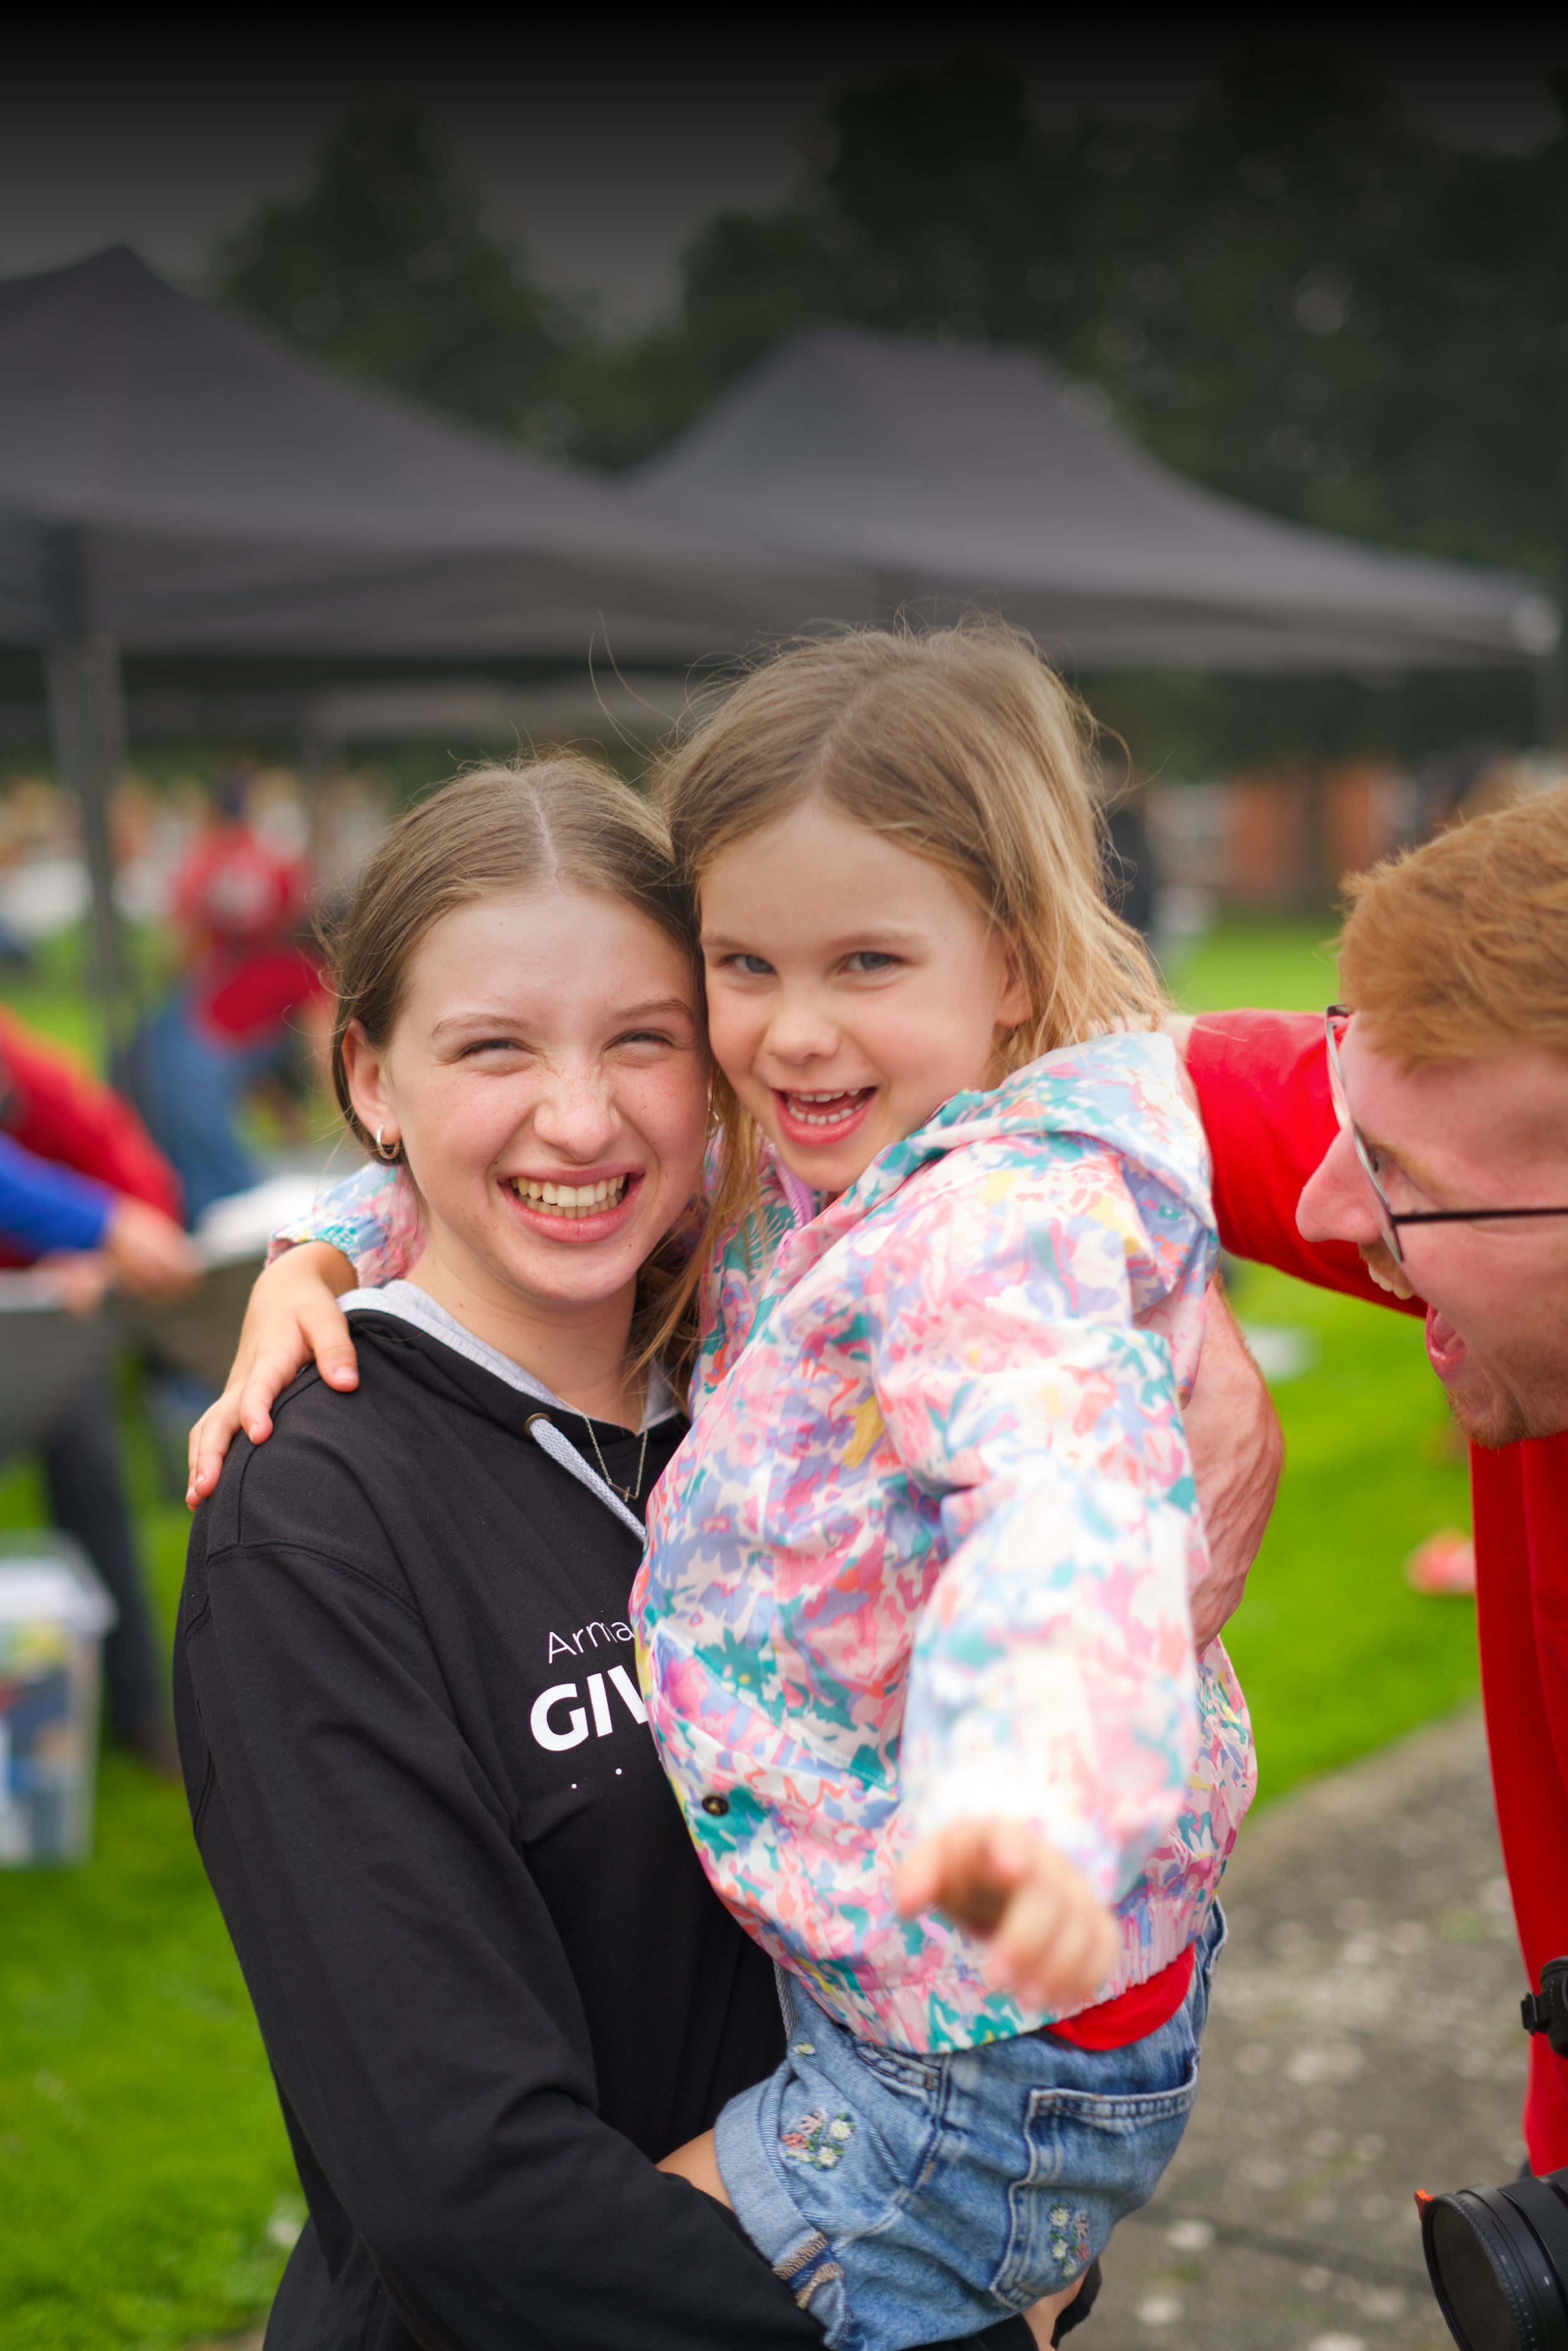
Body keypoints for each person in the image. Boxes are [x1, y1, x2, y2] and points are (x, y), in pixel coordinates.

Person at [188, 630, 1278, 2350]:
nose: (578, 1114)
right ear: (367, 1077)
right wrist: (321, 1243)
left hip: (942, 2125)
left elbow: (1053, 1513)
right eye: (489, 1050)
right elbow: (456, 2192)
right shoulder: (317, 1511)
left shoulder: (852, 1294)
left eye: (643, 1034)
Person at [1172, 783, 1568, 2173]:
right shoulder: (1493, 1156)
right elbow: (1089, 1064)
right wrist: (1183, 1320)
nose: (1328, 1210)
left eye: (1388, 1170)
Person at [0, 1010, 199, 1769]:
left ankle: (143, 1713)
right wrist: (97, 1225)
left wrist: (103, 1255)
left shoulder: (50, 1085)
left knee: (91, 1484)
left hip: (50, 1332)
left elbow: (150, 1210)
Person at [137, 812, 329, 1223]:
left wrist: (287, 1118)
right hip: (190, 1075)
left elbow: (242, 1051)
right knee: (227, 1211)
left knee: (166, 1189)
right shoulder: (306, 976)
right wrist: (369, 1130)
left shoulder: (233, 967)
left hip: (150, 1046)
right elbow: (332, 1060)